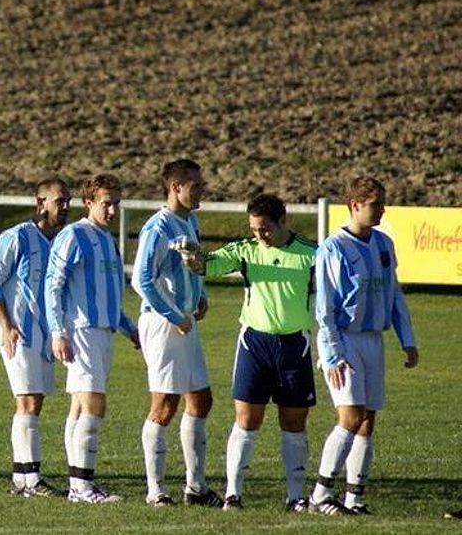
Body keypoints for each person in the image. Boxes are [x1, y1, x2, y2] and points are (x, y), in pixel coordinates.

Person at [183, 194, 318, 511]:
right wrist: (193, 260)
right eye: (254, 229)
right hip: (254, 345)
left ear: (283, 221)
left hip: (295, 346)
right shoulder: (246, 250)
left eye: (265, 229)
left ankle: (295, 496)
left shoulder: (312, 255)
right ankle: (233, 494)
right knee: (246, 419)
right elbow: (210, 264)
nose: (260, 236)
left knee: (294, 422)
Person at [307, 176, 419, 515]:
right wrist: (332, 354)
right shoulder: (333, 248)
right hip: (344, 341)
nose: (382, 210)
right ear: (355, 206)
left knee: (367, 420)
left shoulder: (384, 243)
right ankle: (319, 495)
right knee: (350, 416)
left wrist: (407, 339)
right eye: (376, 204)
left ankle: (354, 498)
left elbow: (394, 293)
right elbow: (324, 309)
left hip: (373, 340)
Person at [131, 158, 222, 507]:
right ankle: (155, 490)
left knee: (201, 399)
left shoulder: (191, 220)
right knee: (165, 404)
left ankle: (195, 487)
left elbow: (194, 265)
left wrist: (201, 296)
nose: (201, 190)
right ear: (175, 188)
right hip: (163, 323)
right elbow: (141, 280)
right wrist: (173, 315)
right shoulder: (157, 228)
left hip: (186, 320)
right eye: (195, 186)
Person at [45, 173, 139, 504]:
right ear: (88, 203)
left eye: (116, 204)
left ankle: (77, 485)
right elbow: (52, 286)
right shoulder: (73, 236)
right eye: (106, 204)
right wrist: (58, 332)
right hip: (81, 331)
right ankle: (82, 487)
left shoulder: (109, 241)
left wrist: (131, 329)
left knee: (78, 408)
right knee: (94, 404)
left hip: (104, 332)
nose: (112, 210)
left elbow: (111, 295)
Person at [0, 177, 71, 498]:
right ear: (40, 203)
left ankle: (21, 478)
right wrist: (5, 322)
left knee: (35, 402)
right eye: (59, 201)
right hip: (18, 333)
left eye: (67, 201)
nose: (65, 207)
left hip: (47, 336)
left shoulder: (62, 240)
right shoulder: (17, 237)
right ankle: (31, 479)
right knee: (27, 400)